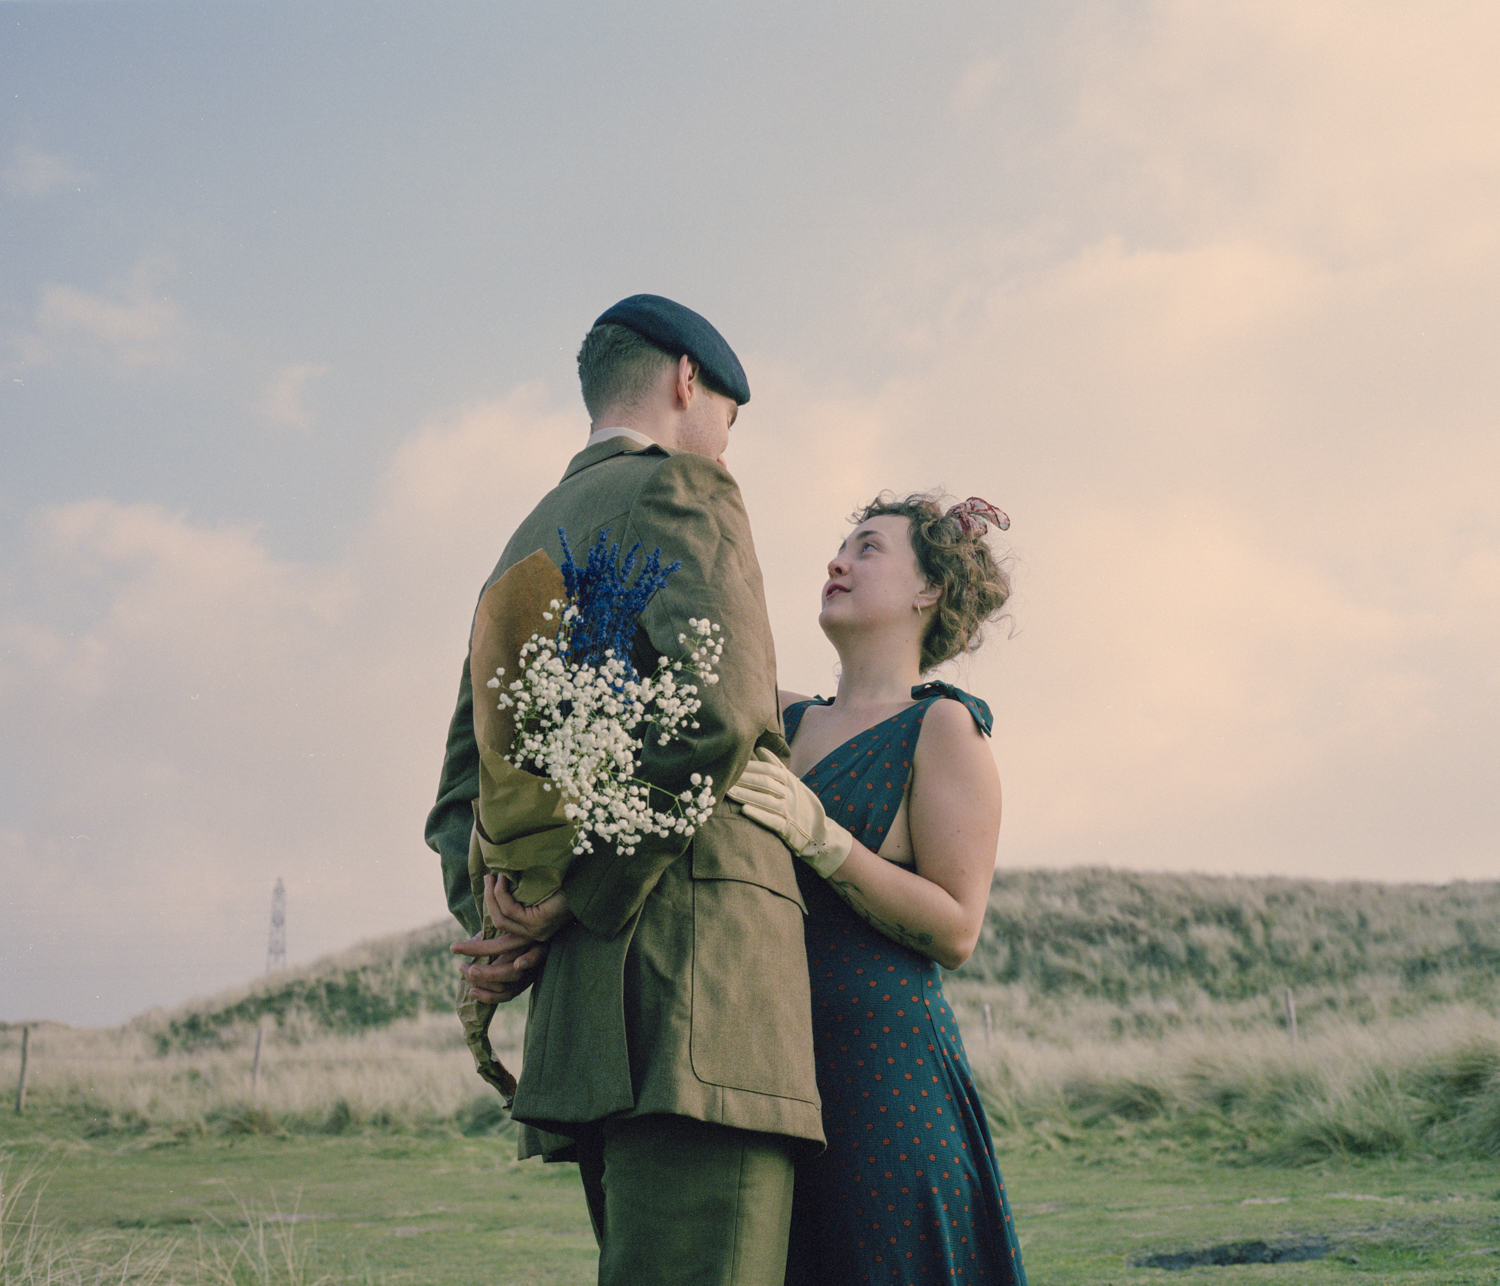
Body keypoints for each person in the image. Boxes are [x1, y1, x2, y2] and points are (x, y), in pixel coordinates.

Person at [426, 294, 823, 1286]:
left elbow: (461, 789)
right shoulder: (687, 487)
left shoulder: (524, 536)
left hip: (587, 1022)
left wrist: (506, 924)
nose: (727, 444)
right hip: (703, 996)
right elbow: (724, 713)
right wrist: (581, 895)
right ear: (688, 380)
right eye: (731, 418)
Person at [727, 492, 1028, 1286]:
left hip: (885, 1081)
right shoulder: (779, 719)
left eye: (868, 548)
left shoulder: (943, 728)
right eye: (842, 548)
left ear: (928, 589)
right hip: (764, 1068)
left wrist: (825, 840)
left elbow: (957, 928)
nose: (838, 562)